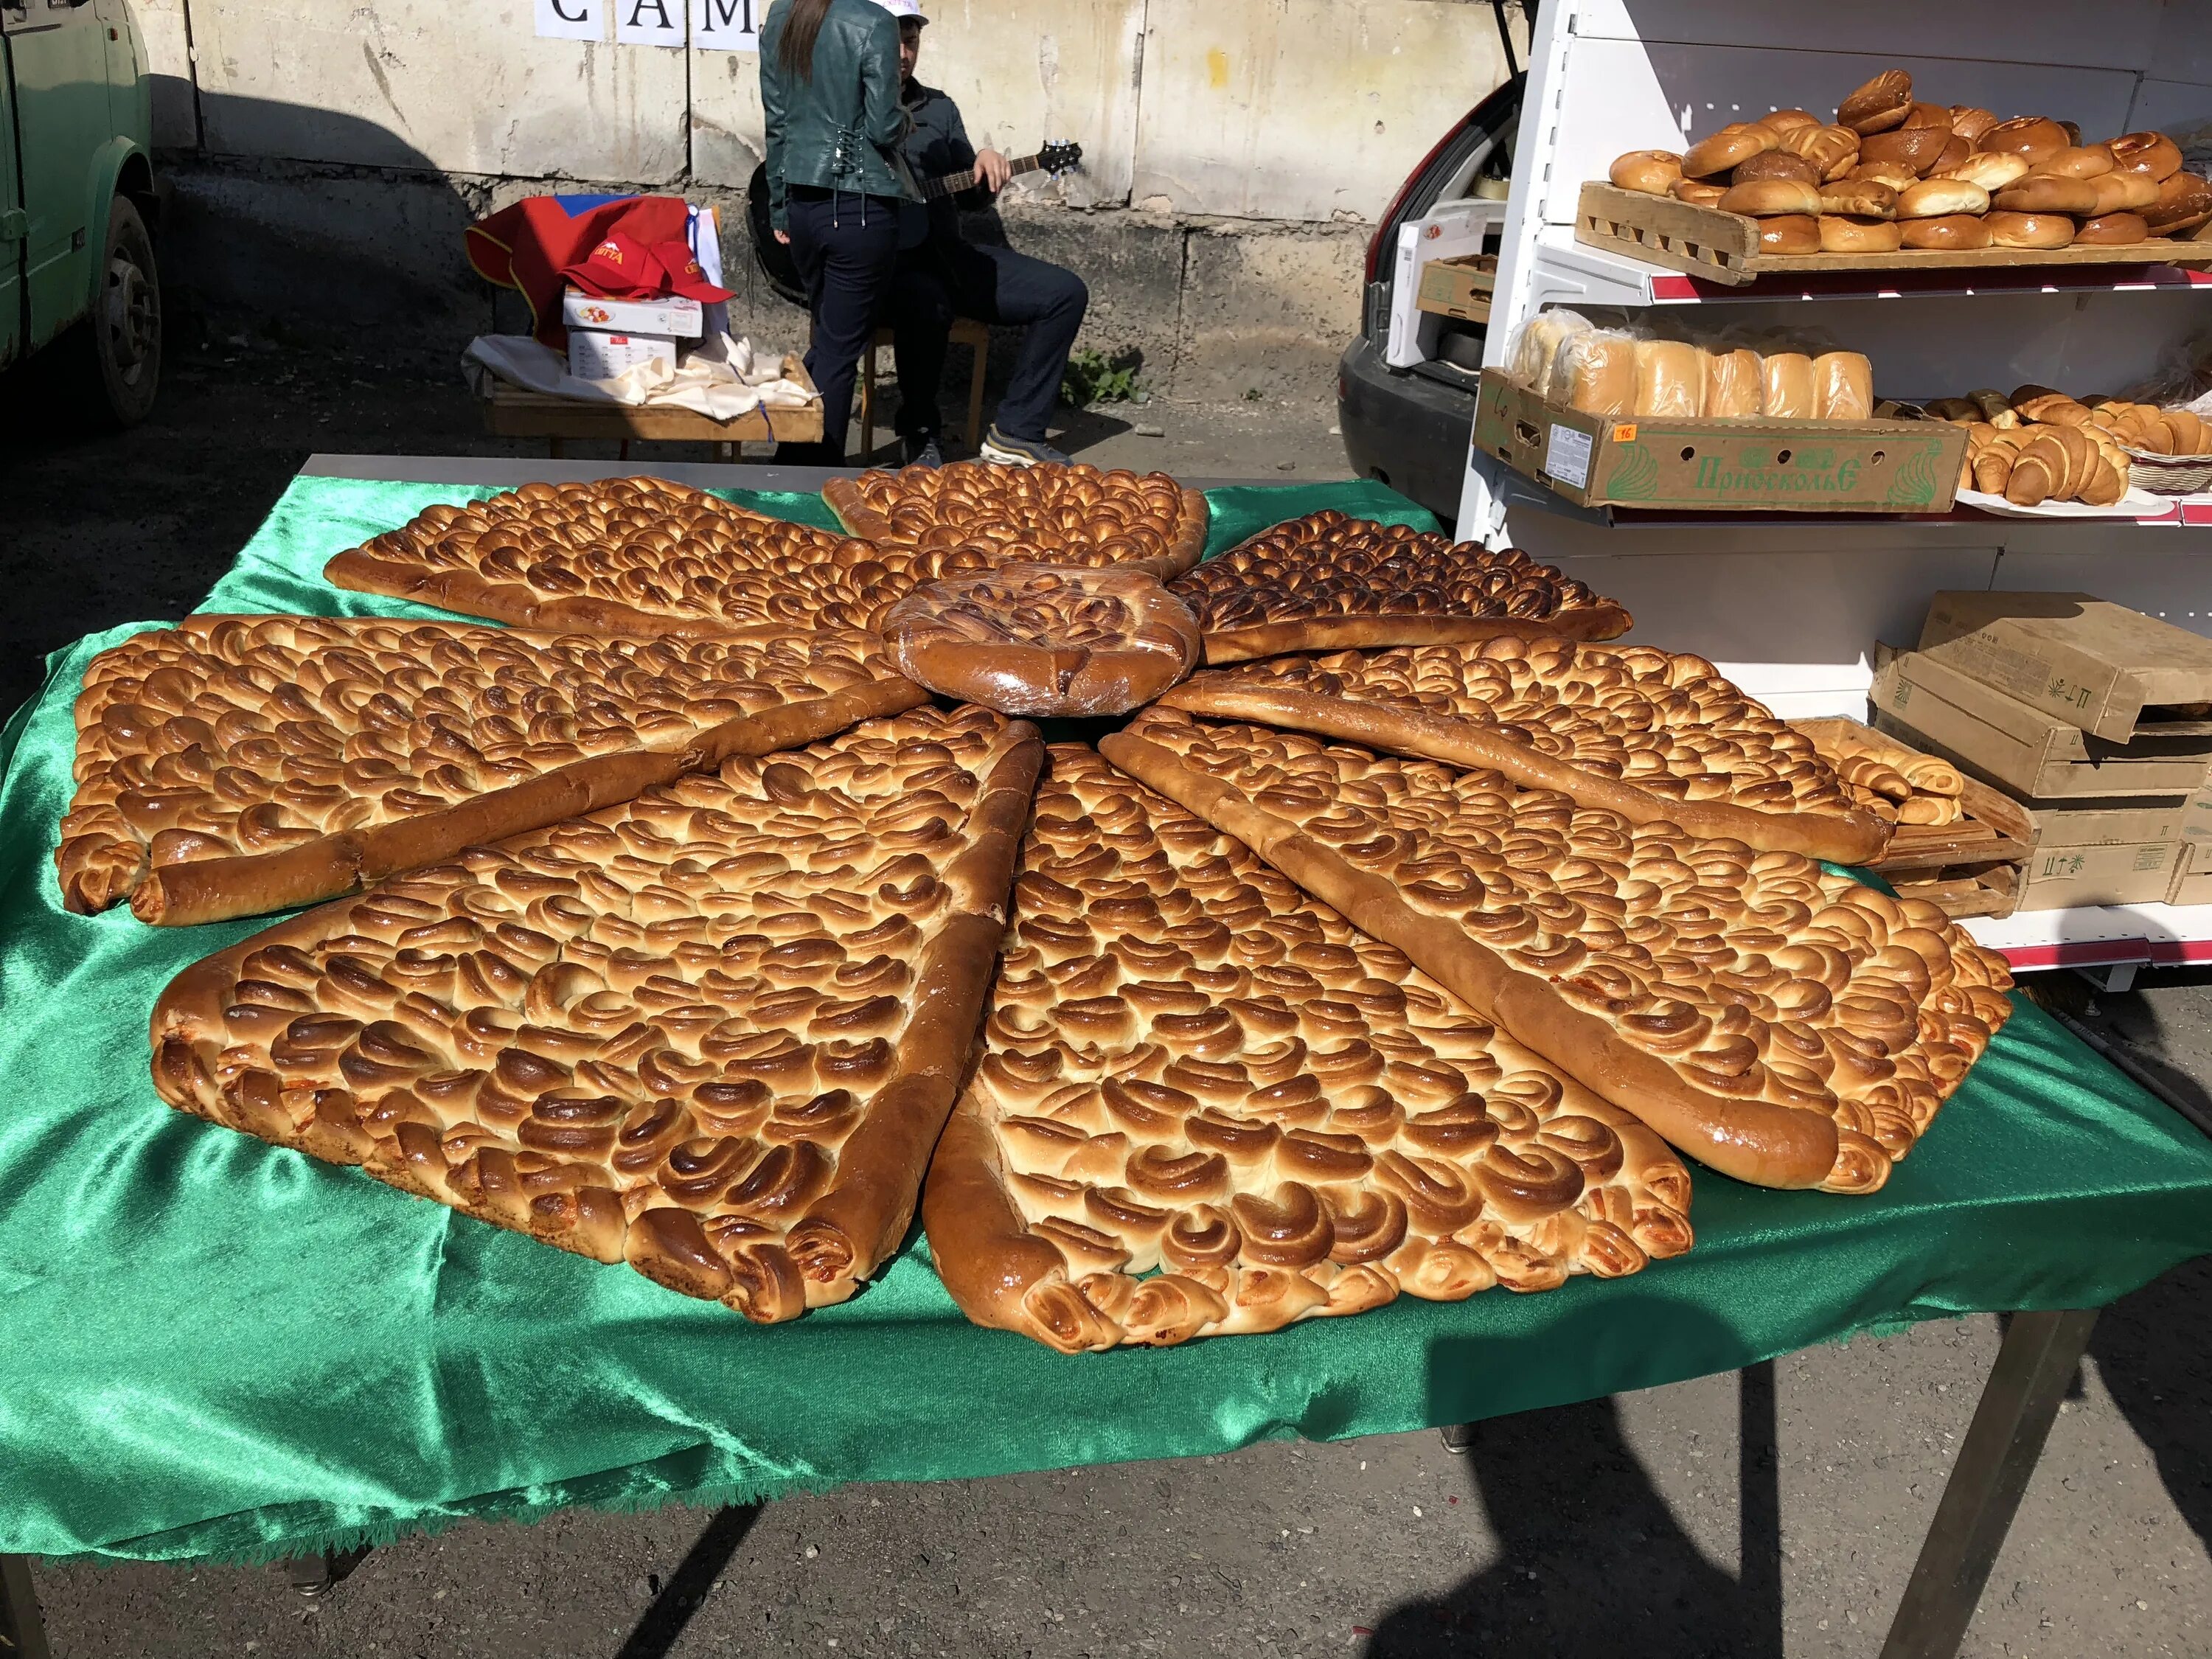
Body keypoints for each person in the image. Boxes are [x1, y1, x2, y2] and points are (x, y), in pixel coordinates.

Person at [879, 1, 1090, 468]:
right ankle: (919, 430)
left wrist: (986, 172)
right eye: (892, 40)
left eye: (911, 42)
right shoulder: (844, 108)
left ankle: (1015, 432)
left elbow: (967, 197)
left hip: (948, 253)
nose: (902, 53)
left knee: (1065, 293)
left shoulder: (940, 108)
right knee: (925, 300)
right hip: (886, 265)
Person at [759, 0, 919, 464]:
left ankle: (792, 458)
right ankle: (811, 470)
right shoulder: (875, 22)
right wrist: (909, 119)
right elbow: (884, 126)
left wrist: (779, 208)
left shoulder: (782, 17)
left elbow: (777, 124)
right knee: (839, 350)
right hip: (860, 207)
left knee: (829, 340)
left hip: (803, 205)